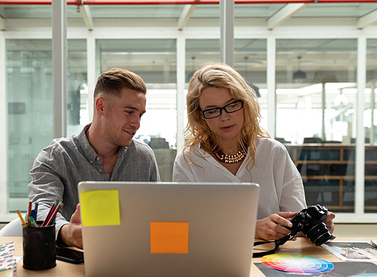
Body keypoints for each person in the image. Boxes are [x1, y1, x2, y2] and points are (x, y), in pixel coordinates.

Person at [172, 62, 335, 241]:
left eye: (232, 105)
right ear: (200, 116)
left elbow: (294, 216)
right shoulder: (189, 160)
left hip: (272, 257)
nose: (224, 117)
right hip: (212, 257)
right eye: (212, 110)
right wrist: (253, 228)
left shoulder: (274, 153)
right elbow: (184, 228)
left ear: (246, 103)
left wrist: (311, 225)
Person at [28, 68, 160, 248]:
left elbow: (157, 216)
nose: (136, 123)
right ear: (101, 106)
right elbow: (40, 208)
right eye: (130, 112)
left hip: (133, 260)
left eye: (140, 115)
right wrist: (67, 232)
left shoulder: (144, 158)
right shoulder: (56, 156)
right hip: (74, 265)